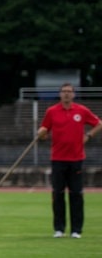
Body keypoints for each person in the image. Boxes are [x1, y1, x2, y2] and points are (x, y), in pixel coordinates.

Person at [36, 82, 102, 239]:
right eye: (64, 91)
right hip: (58, 159)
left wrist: (88, 136)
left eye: (69, 92)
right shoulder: (52, 111)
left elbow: (99, 124)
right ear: (60, 94)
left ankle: (76, 230)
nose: (66, 94)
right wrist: (41, 133)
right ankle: (59, 229)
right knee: (57, 195)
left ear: (73, 94)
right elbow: (44, 133)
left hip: (76, 159)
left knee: (76, 195)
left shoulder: (81, 110)